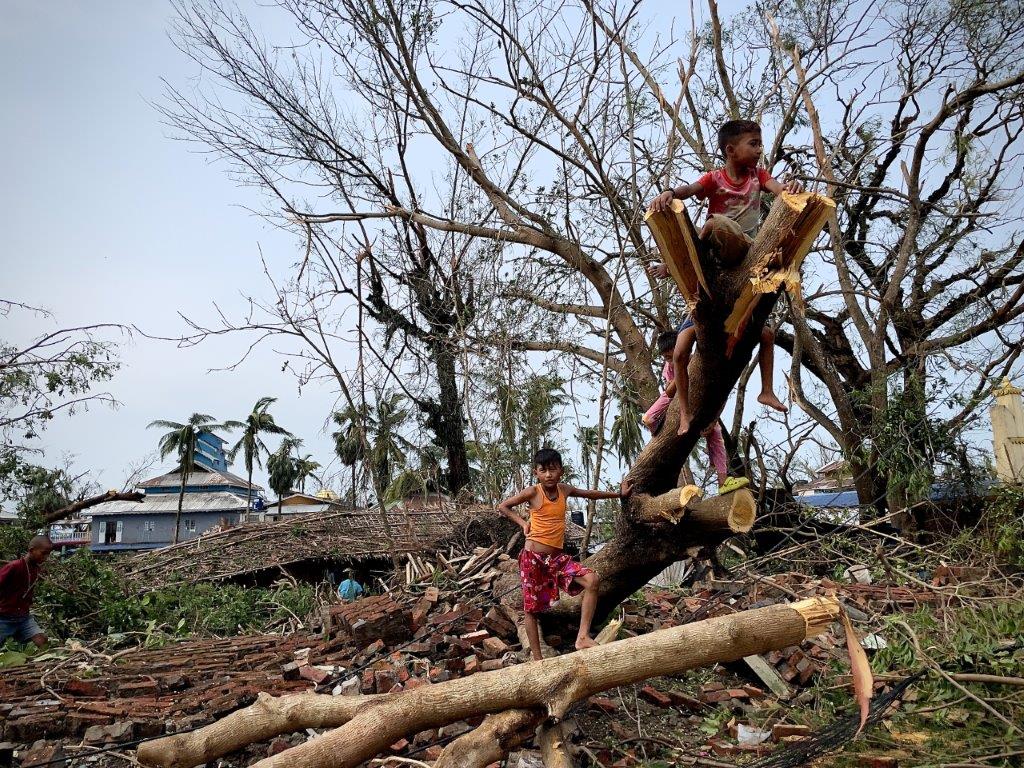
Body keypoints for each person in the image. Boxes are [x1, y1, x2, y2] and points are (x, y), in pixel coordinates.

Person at [648, 118, 797, 435]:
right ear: (731, 150)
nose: (759, 150)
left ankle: (766, 390)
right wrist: (668, 192)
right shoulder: (715, 178)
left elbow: (780, 191)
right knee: (679, 350)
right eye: (753, 144)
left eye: (759, 143)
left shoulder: (759, 176)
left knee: (767, 334)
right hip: (720, 256)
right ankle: (684, 414)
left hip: (750, 256)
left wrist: (792, 190)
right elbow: (690, 190)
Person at [498, 448, 632, 661]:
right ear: (536, 472)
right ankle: (538, 659)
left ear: (561, 471)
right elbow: (504, 506)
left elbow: (590, 494)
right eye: (543, 470)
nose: (548, 475)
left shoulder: (564, 490)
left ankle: (582, 637)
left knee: (592, 580)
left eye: (553, 469)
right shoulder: (532, 492)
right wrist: (523, 523)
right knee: (532, 609)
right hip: (533, 559)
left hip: (556, 559)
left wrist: (619, 494)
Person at [643, 330, 748, 495]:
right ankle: (655, 426)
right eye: (667, 358)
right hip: (675, 401)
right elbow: (669, 392)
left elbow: (719, 394)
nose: (671, 360)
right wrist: (679, 371)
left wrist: (713, 420)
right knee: (649, 418)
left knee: (716, 434)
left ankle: (723, 480)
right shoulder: (669, 367)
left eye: (673, 356)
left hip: (698, 404)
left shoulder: (698, 363)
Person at [0, 535, 53, 649]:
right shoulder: (14, 566)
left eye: (48, 554)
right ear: (32, 550)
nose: (46, 557)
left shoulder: (36, 569)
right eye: (43, 553)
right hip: (4, 618)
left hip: (23, 618)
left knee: (42, 641)